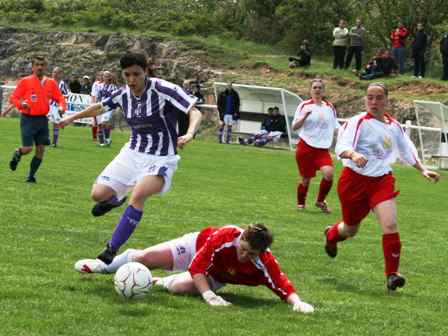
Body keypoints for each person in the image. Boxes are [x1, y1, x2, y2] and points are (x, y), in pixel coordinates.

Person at [61, 51, 202, 265]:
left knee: (138, 195)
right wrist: (71, 117)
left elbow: (195, 112)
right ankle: (115, 199)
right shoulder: (123, 93)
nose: (131, 80)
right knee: (97, 194)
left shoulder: (164, 89)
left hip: (161, 158)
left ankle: (111, 249)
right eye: (127, 75)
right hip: (132, 152)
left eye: (136, 74)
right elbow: (100, 106)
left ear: (146, 71)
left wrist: (190, 133)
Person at [325, 83, 440, 291]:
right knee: (351, 229)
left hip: (381, 180)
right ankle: (332, 235)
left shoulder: (393, 125)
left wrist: (422, 169)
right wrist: (353, 154)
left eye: (378, 98)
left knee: (390, 224)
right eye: (370, 97)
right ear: (365, 99)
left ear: (387, 100)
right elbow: (342, 146)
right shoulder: (358, 122)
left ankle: (392, 275)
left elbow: (407, 149)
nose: (374, 102)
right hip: (354, 180)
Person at [74, 223, 314, 313]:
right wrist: (209, 296)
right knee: (146, 257)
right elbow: (197, 265)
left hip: (216, 273)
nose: (244, 256)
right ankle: (102, 266)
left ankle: (156, 281)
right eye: (242, 249)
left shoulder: (264, 262)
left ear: (260, 253)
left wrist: (297, 303)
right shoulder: (225, 236)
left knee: (179, 288)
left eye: (250, 254)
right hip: (193, 247)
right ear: (241, 238)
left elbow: (281, 284)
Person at [7, 55, 66, 183]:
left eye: (42, 65)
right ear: (32, 67)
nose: (40, 67)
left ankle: (31, 176)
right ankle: (18, 152)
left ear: (45, 67)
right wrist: (20, 104)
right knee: (28, 149)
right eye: (37, 65)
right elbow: (13, 98)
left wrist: (62, 107)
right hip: (28, 119)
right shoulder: (25, 81)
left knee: (40, 150)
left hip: (43, 120)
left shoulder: (51, 83)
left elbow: (60, 98)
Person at [291, 79, 340, 213]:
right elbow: (294, 127)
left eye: (320, 87)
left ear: (323, 90)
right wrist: (305, 117)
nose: (317, 90)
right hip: (306, 147)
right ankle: (301, 204)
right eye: (314, 87)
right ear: (310, 90)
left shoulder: (329, 107)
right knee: (305, 179)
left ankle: (320, 201)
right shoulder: (304, 105)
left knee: (329, 173)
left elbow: (336, 127)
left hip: (322, 149)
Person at [95, 71, 119, 146]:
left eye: (107, 76)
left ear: (110, 77)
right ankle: (102, 142)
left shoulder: (113, 87)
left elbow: (115, 97)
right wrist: (95, 105)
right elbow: (97, 96)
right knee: (99, 125)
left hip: (108, 107)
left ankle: (107, 139)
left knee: (104, 123)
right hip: (99, 106)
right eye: (104, 76)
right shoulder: (99, 86)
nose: (105, 77)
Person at [49, 66, 69, 147]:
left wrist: (61, 103)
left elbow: (66, 95)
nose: (55, 74)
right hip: (47, 105)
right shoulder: (48, 81)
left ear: (60, 74)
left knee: (56, 124)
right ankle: (44, 139)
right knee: (41, 122)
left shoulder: (62, 84)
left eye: (56, 72)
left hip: (56, 106)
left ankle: (54, 142)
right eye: (54, 72)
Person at [90, 71, 103, 141]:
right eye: (99, 75)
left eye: (102, 75)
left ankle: (102, 137)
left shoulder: (105, 85)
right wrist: (93, 104)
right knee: (94, 122)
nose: (101, 77)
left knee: (101, 122)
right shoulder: (95, 84)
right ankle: (94, 137)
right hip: (95, 104)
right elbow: (93, 95)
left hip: (102, 105)